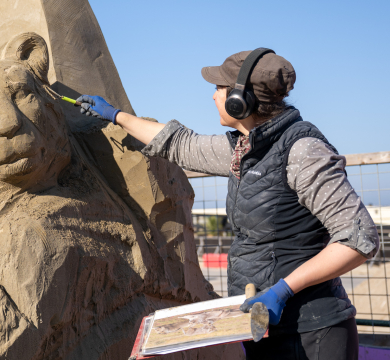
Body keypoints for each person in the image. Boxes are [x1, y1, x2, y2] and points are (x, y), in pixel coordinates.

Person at [76, 48, 378, 360]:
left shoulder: (303, 151)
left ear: (240, 100)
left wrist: (283, 289)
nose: (213, 97)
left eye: (219, 89)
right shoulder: (242, 148)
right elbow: (178, 143)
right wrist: (115, 116)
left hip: (313, 331)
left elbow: (360, 239)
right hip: (263, 326)